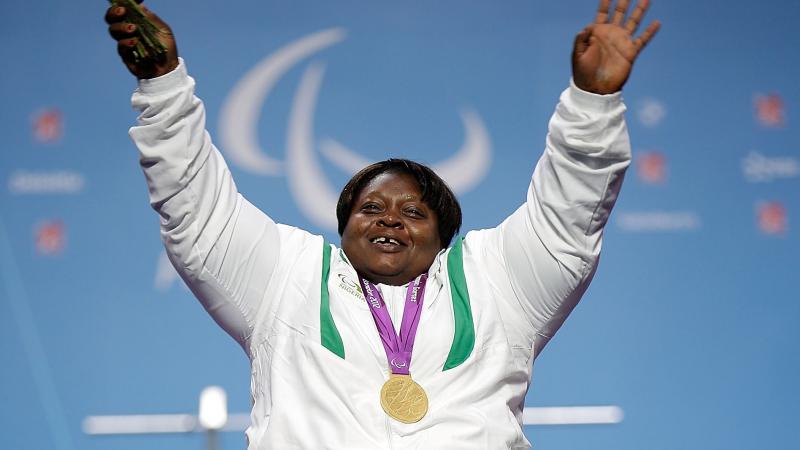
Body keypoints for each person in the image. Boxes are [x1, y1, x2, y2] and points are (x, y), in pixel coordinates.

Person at [105, 0, 659, 448]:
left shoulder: (498, 282)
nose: (390, 217)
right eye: (370, 209)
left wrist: (592, 104)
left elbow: (567, 217)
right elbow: (197, 210)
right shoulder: (286, 278)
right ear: (343, 229)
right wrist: (162, 85)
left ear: (443, 238)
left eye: (414, 212)